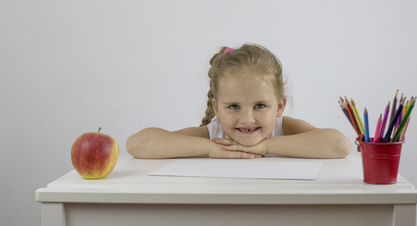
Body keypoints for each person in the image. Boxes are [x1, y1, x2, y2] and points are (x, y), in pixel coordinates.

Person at [126, 44, 351, 159]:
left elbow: (339, 145)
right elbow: (138, 144)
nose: (247, 119)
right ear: (216, 108)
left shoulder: (285, 129)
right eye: (234, 106)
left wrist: (265, 146)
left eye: (260, 106)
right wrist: (210, 149)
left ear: (280, 107)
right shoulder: (214, 136)